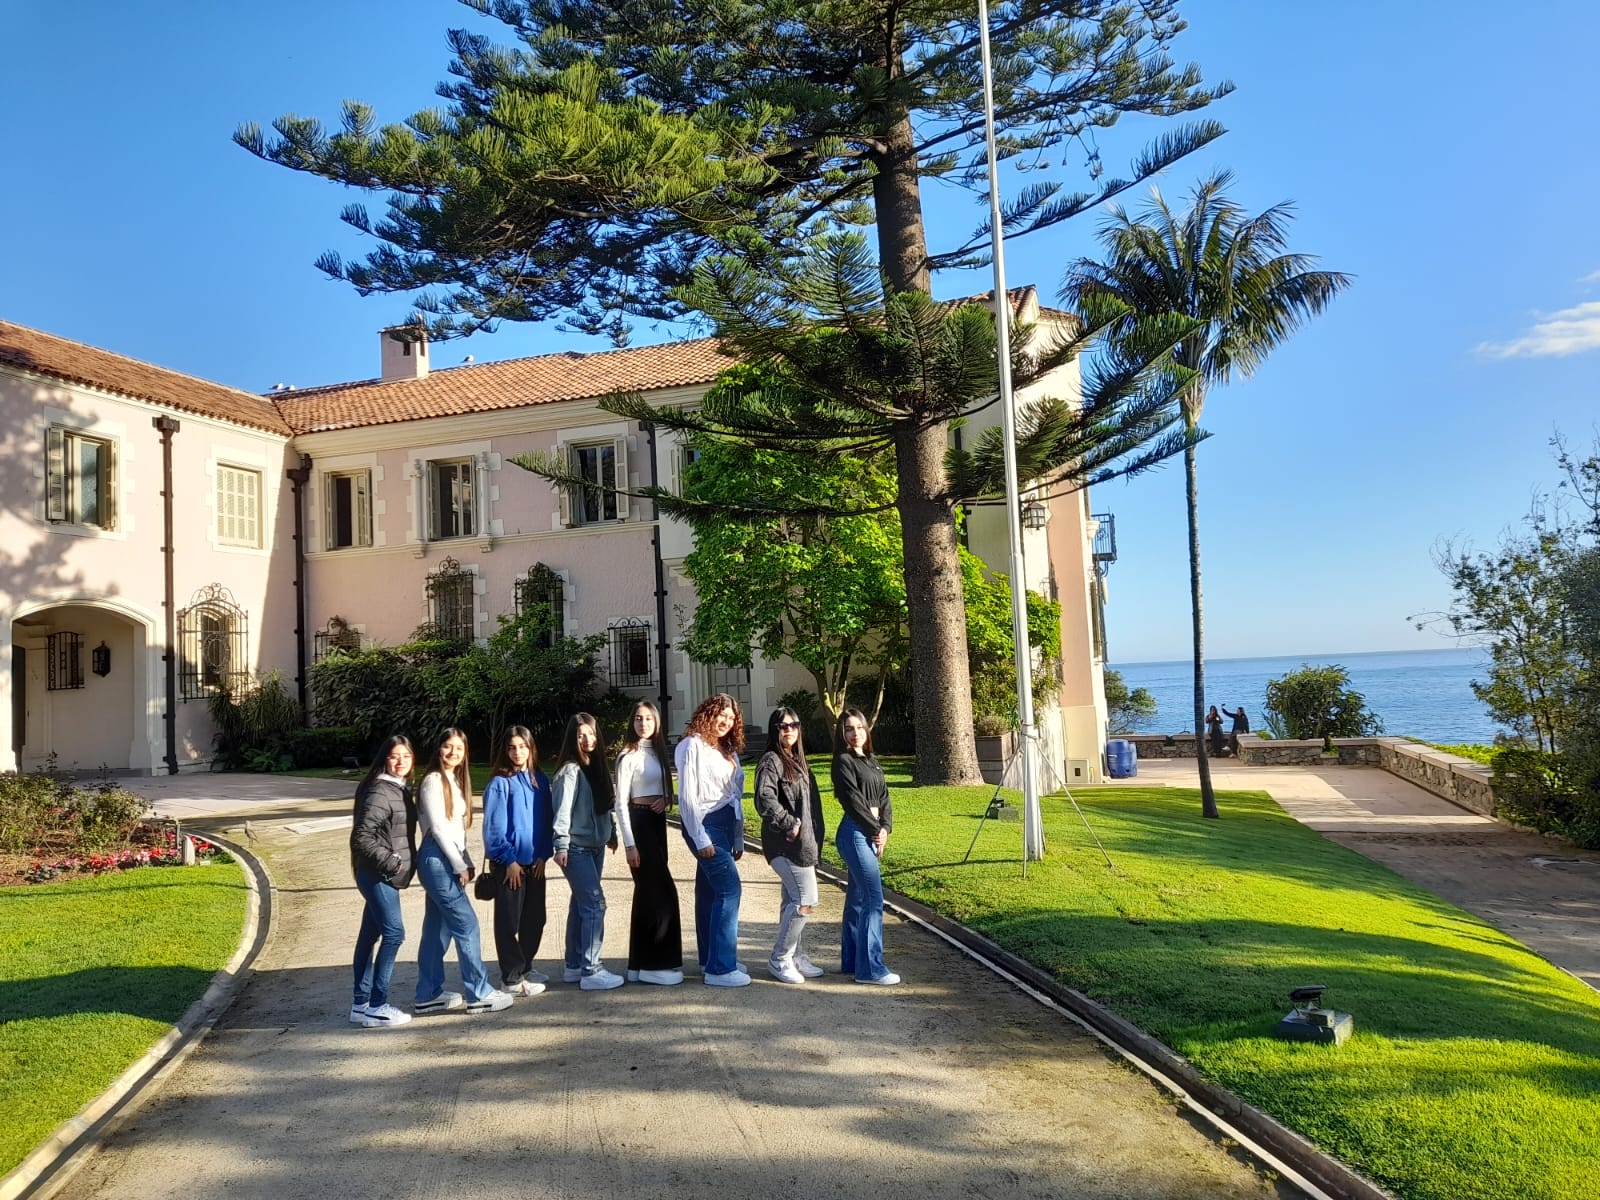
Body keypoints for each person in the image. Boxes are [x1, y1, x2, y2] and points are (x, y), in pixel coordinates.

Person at [414, 728, 514, 1015]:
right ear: (438, 748)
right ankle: (478, 992)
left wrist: (465, 860)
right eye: (448, 746)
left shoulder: (453, 780)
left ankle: (428, 993)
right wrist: (459, 865)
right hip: (437, 858)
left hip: (448, 856)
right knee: (466, 923)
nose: (453, 752)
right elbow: (438, 829)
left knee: (437, 928)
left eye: (459, 748)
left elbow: (456, 829)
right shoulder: (433, 781)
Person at [675, 693, 749, 987]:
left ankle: (711, 958)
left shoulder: (726, 749)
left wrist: (738, 837)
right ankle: (720, 968)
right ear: (708, 713)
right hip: (705, 824)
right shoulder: (692, 745)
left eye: (731, 718)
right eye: (722, 715)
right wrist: (699, 836)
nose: (726, 721)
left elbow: (735, 797)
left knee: (708, 892)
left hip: (725, 825)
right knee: (730, 890)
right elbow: (687, 797)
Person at [551, 712, 625, 990]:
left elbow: (605, 806)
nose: (587, 739)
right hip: (576, 848)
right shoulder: (570, 770)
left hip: (596, 847)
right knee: (595, 904)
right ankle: (591, 970)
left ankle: (574, 965)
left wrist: (612, 832)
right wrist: (561, 845)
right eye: (580, 735)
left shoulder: (596, 766)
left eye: (591, 734)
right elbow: (561, 812)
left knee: (580, 905)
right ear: (572, 738)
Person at [349, 735, 418, 1028]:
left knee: (369, 935)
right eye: (394, 756)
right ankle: (377, 1006)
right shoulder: (380, 790)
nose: (401, 761)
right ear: (384, 759)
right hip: (378, 874)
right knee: (394, 934)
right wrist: (392, 861)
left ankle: (360, 1004)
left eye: (406, 756)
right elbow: (361, 836)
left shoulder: (397, 788)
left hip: (382, 874)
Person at [614, 700, 685, 985]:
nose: (643, 724)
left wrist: (665, 799)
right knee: (661, 894)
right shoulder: (627, 755)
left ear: (656, 722)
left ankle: (639, 965)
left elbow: (661, 788)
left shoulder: (657, 752)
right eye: (638, 718)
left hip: (657, 823)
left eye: (648, 719)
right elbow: (620, 803)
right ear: (632, 722)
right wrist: (630, 845)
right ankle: (655, 965)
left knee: (646, 894)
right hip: (640, 824)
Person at [754, 706, 827, 984]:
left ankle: (795, 955)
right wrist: (789, 823)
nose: (789, 730)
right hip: (784, 844)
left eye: (794, 725)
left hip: (803, 845)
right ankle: (780, 958)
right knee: (806, 899)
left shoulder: (799, 761)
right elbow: (764, 799)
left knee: (791, 901)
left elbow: (812, 808)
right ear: (775, 730)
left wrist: (814, 838)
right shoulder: (771, 761)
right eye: (783, 726)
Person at [481, 725, 553, 996]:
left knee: (535, 919)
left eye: (522, 746)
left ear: (531, 748)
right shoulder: (500, 783)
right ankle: (511, 979)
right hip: (510, 866)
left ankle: (525, 966)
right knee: (508, 923)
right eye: (512, 747)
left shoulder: (540, 780)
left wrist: (544, 854)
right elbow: (494, 829)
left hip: (535, 863)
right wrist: (508, 860)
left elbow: (547, 821)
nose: (517, 752)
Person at [832, 708, 898, 986]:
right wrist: (875, 831)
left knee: (858, 898)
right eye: (849, 728)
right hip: (854, 833)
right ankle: (870, 969)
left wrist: (885, 828)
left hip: (871, 832)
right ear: (842, 733)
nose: (855, 733)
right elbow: (853, 802)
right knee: (873, 898)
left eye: (859, 727)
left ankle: (852, 961)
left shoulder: (871, 760)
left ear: (866, 729)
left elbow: (884, 798)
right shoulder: (843, 761)